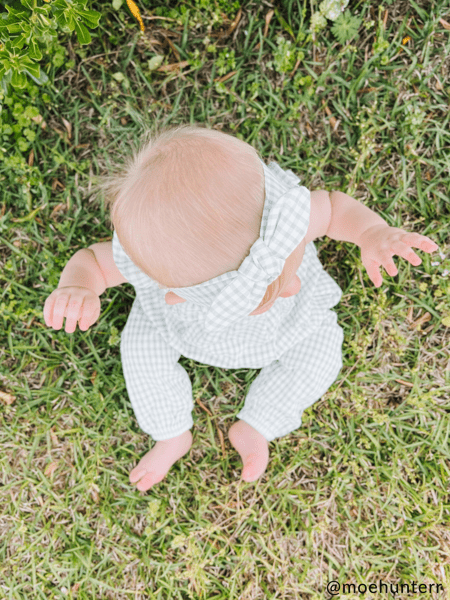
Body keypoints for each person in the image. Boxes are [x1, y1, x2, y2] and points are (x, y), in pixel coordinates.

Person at [43, 124, 439, 492]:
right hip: (181, 324)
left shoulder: (281, 215)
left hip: (293, 322)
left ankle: (258, 424)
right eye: (279, 285)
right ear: (175, 288)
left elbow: (334, 209)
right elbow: (94, 262)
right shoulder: (149, 262)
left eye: (284, 271)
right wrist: (80, 285)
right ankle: (170, 433)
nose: (293, 283)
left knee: (321, 353)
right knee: (141, 349)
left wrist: (371, 232)